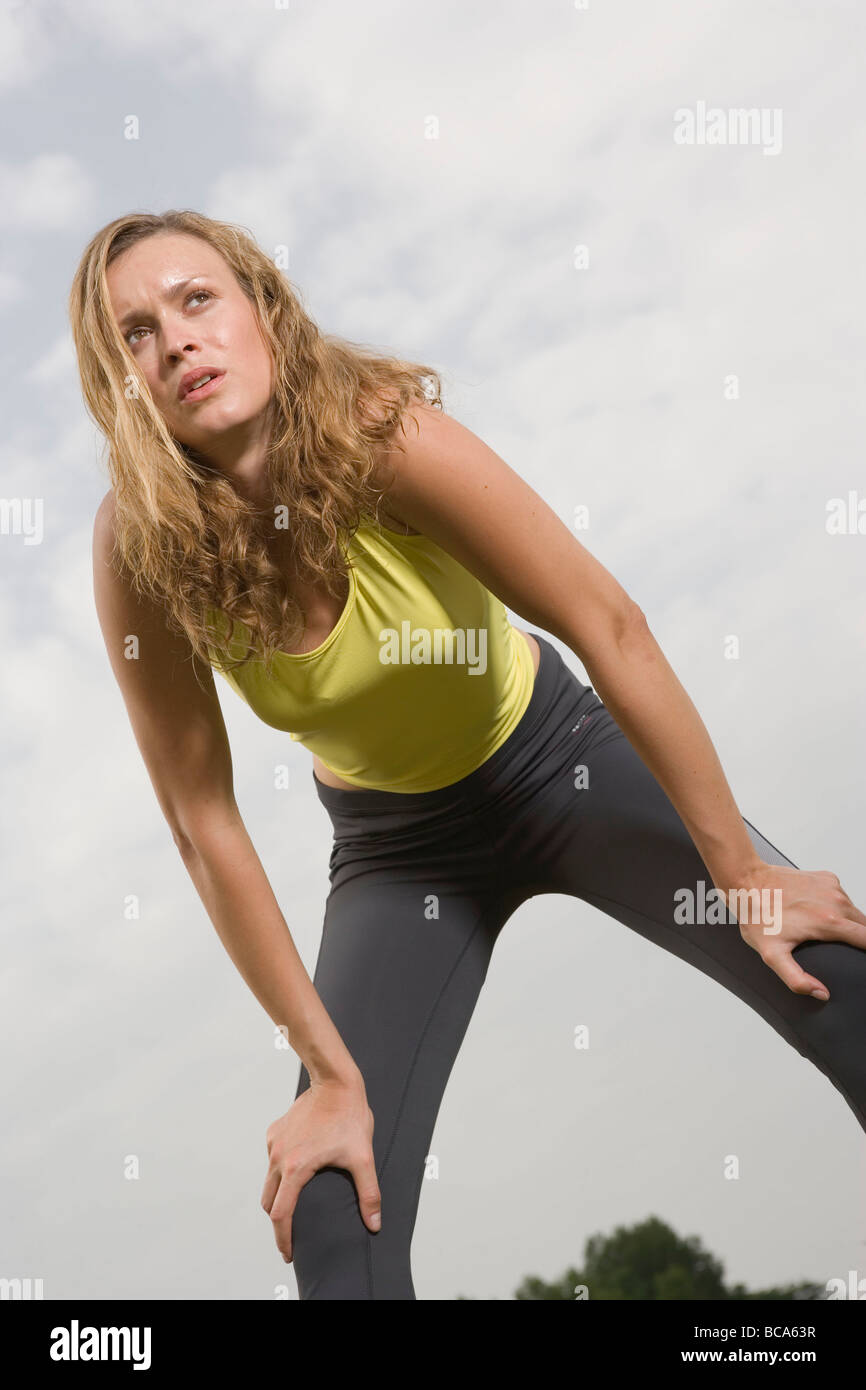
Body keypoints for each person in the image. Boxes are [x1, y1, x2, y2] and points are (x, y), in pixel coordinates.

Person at [72, 209, 866, 1301]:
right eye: (136, 334)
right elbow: (203, 825)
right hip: (401, 854)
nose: (177, 343)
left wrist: (740, 874)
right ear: (119, 381)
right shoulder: (140, 550)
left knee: (834, 982)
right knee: (330, 1205)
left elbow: (607, 622)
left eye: (197, 301)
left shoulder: (376, 431)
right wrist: (331, 1076)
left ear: (260, 306)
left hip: (558, 761)